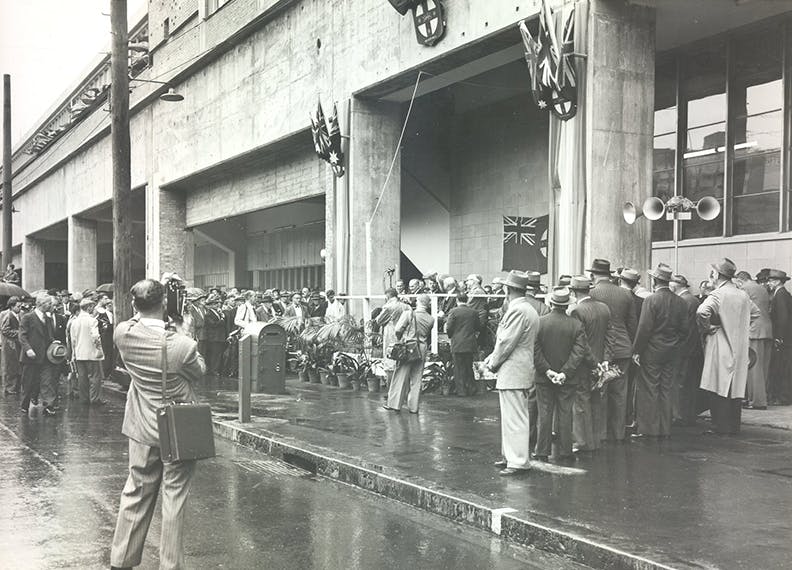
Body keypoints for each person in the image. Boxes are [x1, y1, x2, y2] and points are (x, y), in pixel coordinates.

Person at [110, 279, 206, 570]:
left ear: (134, 306)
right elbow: (198, 371)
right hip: (177, 426)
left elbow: (135, 319)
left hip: (141, 426)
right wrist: (184, 329)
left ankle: (121, 560)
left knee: (136, 490)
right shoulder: (182, 345)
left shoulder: (122, 334)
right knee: (174, 497)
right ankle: (170, 564)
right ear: (165, 303)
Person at [484, 270, 539, 476]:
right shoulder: (529, 309)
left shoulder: (518, 311)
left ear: (508, 289)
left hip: (513, 369)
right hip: (520, 368)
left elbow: (506, 342)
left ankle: (517, 461)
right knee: (514, 416)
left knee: (514, 417)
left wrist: (492, 362)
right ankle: (511, 456)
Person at [696, 259, 759, 435]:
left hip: (720, 343)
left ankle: (719, 426)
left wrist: (707, 327)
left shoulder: (717, 294)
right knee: (735, 387)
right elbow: (756, 313)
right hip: (739, 346)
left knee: (717, 385)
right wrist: (740, 325)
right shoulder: (743, 294)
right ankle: (733, 426)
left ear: (717, 275)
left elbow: (701, 312)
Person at [631, 264, 688, 439]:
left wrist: (637, 351)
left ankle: (649, 428)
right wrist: (675, 344)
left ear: (655, 280)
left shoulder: (651, 300)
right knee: (666, 388)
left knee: (650, 389)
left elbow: (644, 328)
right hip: (672, 351)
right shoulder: (680, 302)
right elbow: (685, 330)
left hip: (652, 350)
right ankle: (665, 427)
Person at [534, 287, 589, 462]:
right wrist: (565, 372)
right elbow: (579, 352)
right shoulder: (576, 325)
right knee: (566, 413)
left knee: (544, 413)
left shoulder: (540, 322)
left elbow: (535, 350)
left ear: (551, 303)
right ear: (567, 306)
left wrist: (547, 370)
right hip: (569, 378)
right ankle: (566, 451)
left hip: (544, 377)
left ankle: (542, 450)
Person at [588, 258, 637, 442]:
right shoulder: (625, 295)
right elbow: (632, 324)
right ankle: (617, 434)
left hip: (600, 349)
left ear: (593, 275)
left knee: (600, 391)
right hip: (623, 347)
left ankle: (600, 434)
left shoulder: (592, 293)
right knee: (620, 393)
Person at [568, 277, 610, 452]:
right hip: (601, 359)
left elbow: (581, 343)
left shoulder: (577, 311)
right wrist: (605, 360)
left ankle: (582, 441)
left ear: (574, 292)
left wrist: (592, 362)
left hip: (584, 363)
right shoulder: (604, 308)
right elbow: (610, 336)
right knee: (597, 400)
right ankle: (598, 437)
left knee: (580, 401)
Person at [383, 295, 434, 414]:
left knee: (400, 374)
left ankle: (395, 404)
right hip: (422, 348)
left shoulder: (408, 313)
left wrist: (401, 338)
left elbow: (398, 329)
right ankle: (413, 407)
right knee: (417, 378)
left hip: (408, 346)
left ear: (418, 301)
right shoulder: (431, 319)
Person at [734, 270, 772, 410]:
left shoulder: (745, 288)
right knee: (762, 367)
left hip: (754, 330)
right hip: (766, 329)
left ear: (740, 280)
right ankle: (758, 398)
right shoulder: (761, 287)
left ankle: (757, 401)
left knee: (753, 366)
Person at [669, 274, 704, 424]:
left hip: (685, 349)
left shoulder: (683, 301)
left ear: (675, 285)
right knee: (690, 383)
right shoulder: (693, 299)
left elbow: (683, 329)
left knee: (680, 383)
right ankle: (688, 414)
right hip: (694, 348)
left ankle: (680, 415)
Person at [19, 293, 56, 415]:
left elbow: (49, 336)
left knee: (47, 381)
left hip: (46, 356)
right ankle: (24, 404)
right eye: (49, 303)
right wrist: (28, 349)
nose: (51, 306)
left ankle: (48, 405)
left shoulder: (49, 319)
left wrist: (54, 342)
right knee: (28, 382)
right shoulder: (28, 317)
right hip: (31, 357)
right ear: (40, 304)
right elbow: (22, 336)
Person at [67, 297, 106, 405]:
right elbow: (95, 337)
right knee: (95, 377)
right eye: (92, 307)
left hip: (79, 353)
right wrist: (99, 350)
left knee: (82, 377)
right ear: (89, 307)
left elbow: (73, 340)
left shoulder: (74, 322)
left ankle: (84, 398)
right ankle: (95, 399)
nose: (93, 309)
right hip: (91, 353)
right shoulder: (92, 320)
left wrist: (74, 354)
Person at [445, 292, 480, 397]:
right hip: (470, 343)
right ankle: (472, 388)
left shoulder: (453, 312)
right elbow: (478, 326)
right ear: (467, 300)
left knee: (458, 368)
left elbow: (449, 327)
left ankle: (461, 391)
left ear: (457, 300)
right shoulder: (473, 312)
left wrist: (451, 336)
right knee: (469, 366)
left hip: (457, 343)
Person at [766, 269, 792, 405]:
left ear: (777, 282)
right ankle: (783, 396)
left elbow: (783, 318)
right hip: (785, 338)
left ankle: (783, 397)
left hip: (783, 339)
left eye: (770, 281)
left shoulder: (780, 295)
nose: (768, 283)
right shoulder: (782, 294)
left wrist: (779, 337)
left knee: (782, 367)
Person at [376, 288, 408, 375]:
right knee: (401, 354)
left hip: (390, 331)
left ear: (387, 296)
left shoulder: (388, 307)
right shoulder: (405, 306)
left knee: (390, 355)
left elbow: (379, 320)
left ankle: (391, 383)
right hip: (403, 332)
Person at [1, 296, 22, 395]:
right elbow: (5, 330)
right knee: (10, 366)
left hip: (15, 344)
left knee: (16, 365)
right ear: (12, 306)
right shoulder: (8, 316)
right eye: (18, 306)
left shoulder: (18, 315)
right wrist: (18, 333)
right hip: (10, 345)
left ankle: (14, 387)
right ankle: (9, 387)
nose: (20, 308)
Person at [203, 294, 227, 376]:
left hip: (219, 337)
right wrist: (222, 320)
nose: (218, 305)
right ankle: (213, 370)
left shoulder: (218, 313)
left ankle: (216, 369)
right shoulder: (208, 314)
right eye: (215, 304)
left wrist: (221, 317)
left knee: (218, 354)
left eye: (218, 303)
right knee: (214, 354)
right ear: (211, 305)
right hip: (214, 337)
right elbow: (213, 324)